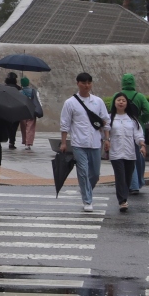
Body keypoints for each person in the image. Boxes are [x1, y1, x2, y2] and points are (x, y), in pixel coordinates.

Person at [60, 72, 109, 212]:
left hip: (95, 143)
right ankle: (87, 200)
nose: (86, 86)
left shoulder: (98, 101)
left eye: (89, 83)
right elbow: (65, 123)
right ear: (78, 84)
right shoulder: (70, 103)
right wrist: (63, 142)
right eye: (83, 83)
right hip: (78, 143)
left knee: (95, 174)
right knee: (82, 171)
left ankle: (86, 190)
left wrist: (106, 139)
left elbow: (105, 121)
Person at [107, 92, 147, 212]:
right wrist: (106, 141)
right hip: (116, 153)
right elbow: (105, 133)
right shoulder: (109, 118)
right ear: (114, 102)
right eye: (118, 100)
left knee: (128, 177)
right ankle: (122, 200)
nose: (121, 102)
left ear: (127, 104)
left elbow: (138, 135)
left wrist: (142, 145)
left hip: (130, 153)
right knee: (120, 176)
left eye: (123, 100)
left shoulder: (132, 119)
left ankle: (124, 197)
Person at [120, 74, 149, 194]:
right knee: (138, 157)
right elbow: (148, 111)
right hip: (138, 128)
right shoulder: (139, 96)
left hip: (122, 129)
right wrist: (141, 120)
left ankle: (131, 184)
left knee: (127, 156)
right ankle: (137, 182)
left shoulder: (118, 96)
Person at [18, 77, 40, 150]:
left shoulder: (19, 92)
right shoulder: (34, 91)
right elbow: (38, 100)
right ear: (28, 83)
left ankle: (25, 141)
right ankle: (29, 143)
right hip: (32, 111)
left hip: (22, 111)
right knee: (30, 127)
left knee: (24, 127)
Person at [4, 72, 22, 150]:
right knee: (14, 128)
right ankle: (12, 142)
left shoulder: (4, 88)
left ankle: (8, 138)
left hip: (6, 109)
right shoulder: (18, 88)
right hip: (16, 110)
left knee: (7, 126)